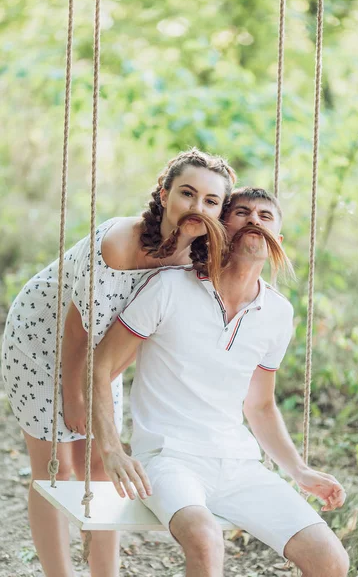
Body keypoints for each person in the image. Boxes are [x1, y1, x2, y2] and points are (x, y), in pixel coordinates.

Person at [90, 187, 349, 577]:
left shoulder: (278, 312)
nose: (254, 221)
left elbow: (260, 405)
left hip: (239, 465)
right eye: (242, 212)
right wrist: (111, 448)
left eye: (265, 216)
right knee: (206, 538)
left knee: (330, 560)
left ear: (278, 240)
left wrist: (299, 471)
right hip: (168, 460)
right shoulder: (169, 287)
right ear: (220, 229)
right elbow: (101, 366)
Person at [1, 148, 236, 577]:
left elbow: (133, 340)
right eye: (187, 193)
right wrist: (74, 396)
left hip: (101, 352)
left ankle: (103, 572)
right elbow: (75, 333)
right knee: (58, 465)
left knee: (98, 464)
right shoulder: (120, 244)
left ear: (220, 212)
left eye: (210, 200)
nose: (196, 207)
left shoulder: (195, 264)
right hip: (41, 339)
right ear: (164, 194)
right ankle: (60, 573)